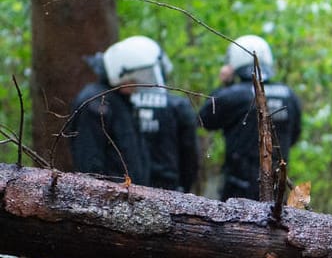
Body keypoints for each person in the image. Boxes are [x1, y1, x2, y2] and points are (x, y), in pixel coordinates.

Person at [198, 35, 302, 200]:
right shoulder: (289, 95)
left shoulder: (233, 95)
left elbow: (204, 119)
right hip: (276, 190)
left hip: (239, 190)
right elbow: (294, 136)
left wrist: (224, 84)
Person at [68, 36, 156, 185]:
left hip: (129, 197)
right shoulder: (96, 104)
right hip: (110, 200)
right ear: (120, 74)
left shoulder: (121, 102)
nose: (139, 83)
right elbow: (90, 162)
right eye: (134, 78)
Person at [118, 37, 199, 194]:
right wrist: (185, 187)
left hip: (127, 189)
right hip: (169, 189)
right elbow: (190, 156)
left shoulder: (120, 104)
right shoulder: (177, 105)